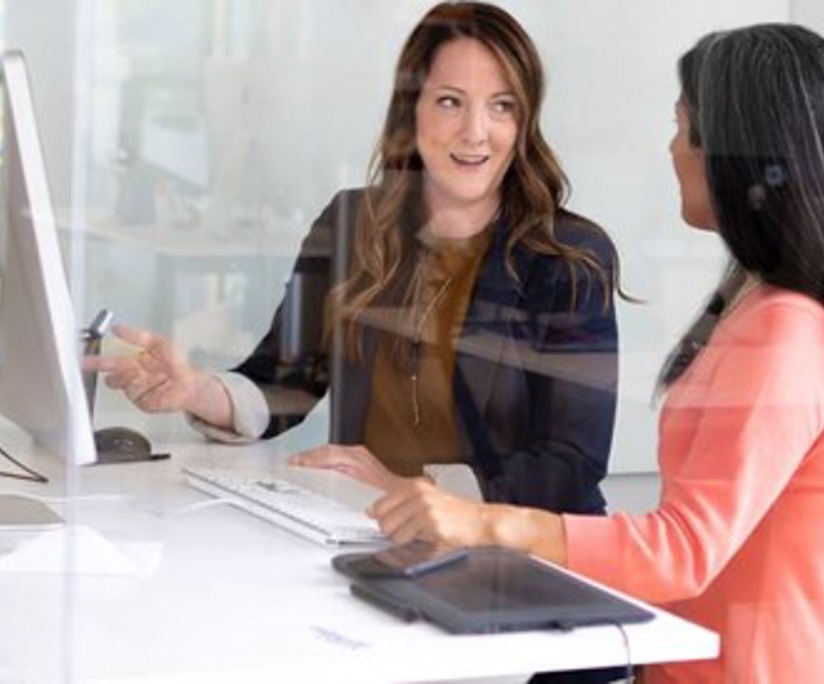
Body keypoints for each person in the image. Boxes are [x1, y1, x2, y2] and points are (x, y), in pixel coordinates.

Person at [337, 22, 824, 683]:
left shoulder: (789, 330)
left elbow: (681, 548)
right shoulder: (762, 303)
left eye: (684, 127)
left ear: (738, 156)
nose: (672, 146)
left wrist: (482, 522)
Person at [93, 6, 620, 546]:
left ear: (524, 121)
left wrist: (417, 490)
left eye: (501, 106)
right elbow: (285, 379)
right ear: (409, 111)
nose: (475, 132)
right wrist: (194, 388)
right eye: (449, 102)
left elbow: (571, 464)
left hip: (514, 557)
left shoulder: (569, 257)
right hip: (375, 534)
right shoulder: (350, 226)